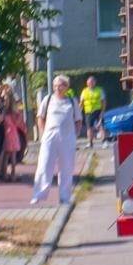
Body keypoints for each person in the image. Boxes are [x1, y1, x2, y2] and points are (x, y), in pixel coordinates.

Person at [31, 75, 80, 205]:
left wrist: (75, 134)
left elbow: (78, 120)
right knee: (44, 164)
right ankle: (38, 195)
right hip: (50, 135)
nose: (58, 88)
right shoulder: (47, 100)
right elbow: (40, 117)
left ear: (66, 87)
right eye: (55, 86)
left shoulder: (72, 101)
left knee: (66, 167)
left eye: (61, 85)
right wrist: (43, 132)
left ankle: (64, 197)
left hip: (67, 137)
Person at [0, 83, 25, 182]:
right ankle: (12, 175)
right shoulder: (14, 110)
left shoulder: (3, 109)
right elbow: (17, 122)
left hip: (7, 133)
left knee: (6, 155)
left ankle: (4, 174)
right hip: (13, 133)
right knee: (12, 155)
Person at [80, 76, 107, 149]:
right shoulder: (84, 91)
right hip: (88, 112)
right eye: (89, 82)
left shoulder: (99, 90)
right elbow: (81, 102)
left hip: (98, 111)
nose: (90, 84)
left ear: (95, 82)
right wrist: (79, 112)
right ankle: (90, 143)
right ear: (87, 83)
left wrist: (102, 111)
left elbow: (103, 101)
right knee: (89, 128)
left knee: (101, 126)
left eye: (92, 82)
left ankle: (104, 141)